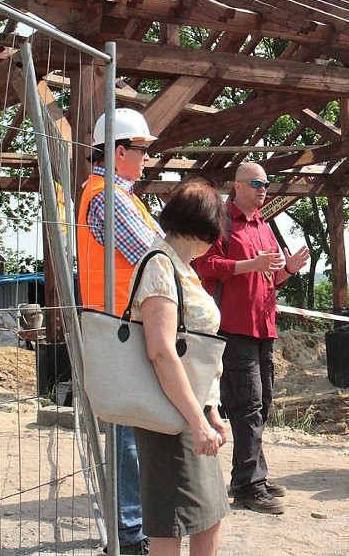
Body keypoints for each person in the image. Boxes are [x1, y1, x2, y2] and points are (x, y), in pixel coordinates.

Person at [193, 162, 310, 514]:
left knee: (262, 401)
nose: (264, 188)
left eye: (266, 183)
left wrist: (288, 268)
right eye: (256, 183)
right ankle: (247, 486)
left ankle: (253, 474)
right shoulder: (221, 222)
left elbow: (270, 279)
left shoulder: (262, 224)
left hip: (264, 327)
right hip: (234, 327)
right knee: (247, 405)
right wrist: (249, 266)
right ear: (237, 186)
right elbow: (204, 266)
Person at [77, 108, 163, 555]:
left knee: (131, 431)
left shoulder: (114, 195)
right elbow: (154, 257)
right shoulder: (110, 197)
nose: (149, 157)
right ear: (120, 151)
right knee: (129, 434)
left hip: (120, 323)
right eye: (143, 149)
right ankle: (131, 531)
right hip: (120, 326)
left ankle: (132, 526)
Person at [130, 178, 229, 556]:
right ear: (206, 226)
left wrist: (211, 409)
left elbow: (196, 352)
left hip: (190, 409)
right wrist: (197, 419)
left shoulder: (179, 266)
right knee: (172, 521)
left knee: (208, 513)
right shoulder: (160, 266)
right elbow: (162, 350)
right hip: (171, 413)